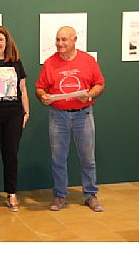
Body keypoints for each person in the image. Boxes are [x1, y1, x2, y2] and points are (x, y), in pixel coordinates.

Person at [35, 26, 105, 212]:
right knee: (58, 159)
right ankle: (59, 196)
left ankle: (90, 195)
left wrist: (89, 95)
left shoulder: (88, 60)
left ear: (75, 40)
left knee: (88, 158)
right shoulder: (50, 63)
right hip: (58, 116)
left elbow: (99, 84)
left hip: (84, 114)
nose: (60, 44)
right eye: (58, 40)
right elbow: (40, 88)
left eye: (64, 40)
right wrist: (43, 96)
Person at [0, 24, 29, 213]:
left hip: (14, 115)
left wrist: (26, 112)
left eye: (0, 39)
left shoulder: (16, 62)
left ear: (6, 42)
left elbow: (23, 89)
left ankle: (11, 193)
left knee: (11, 155)